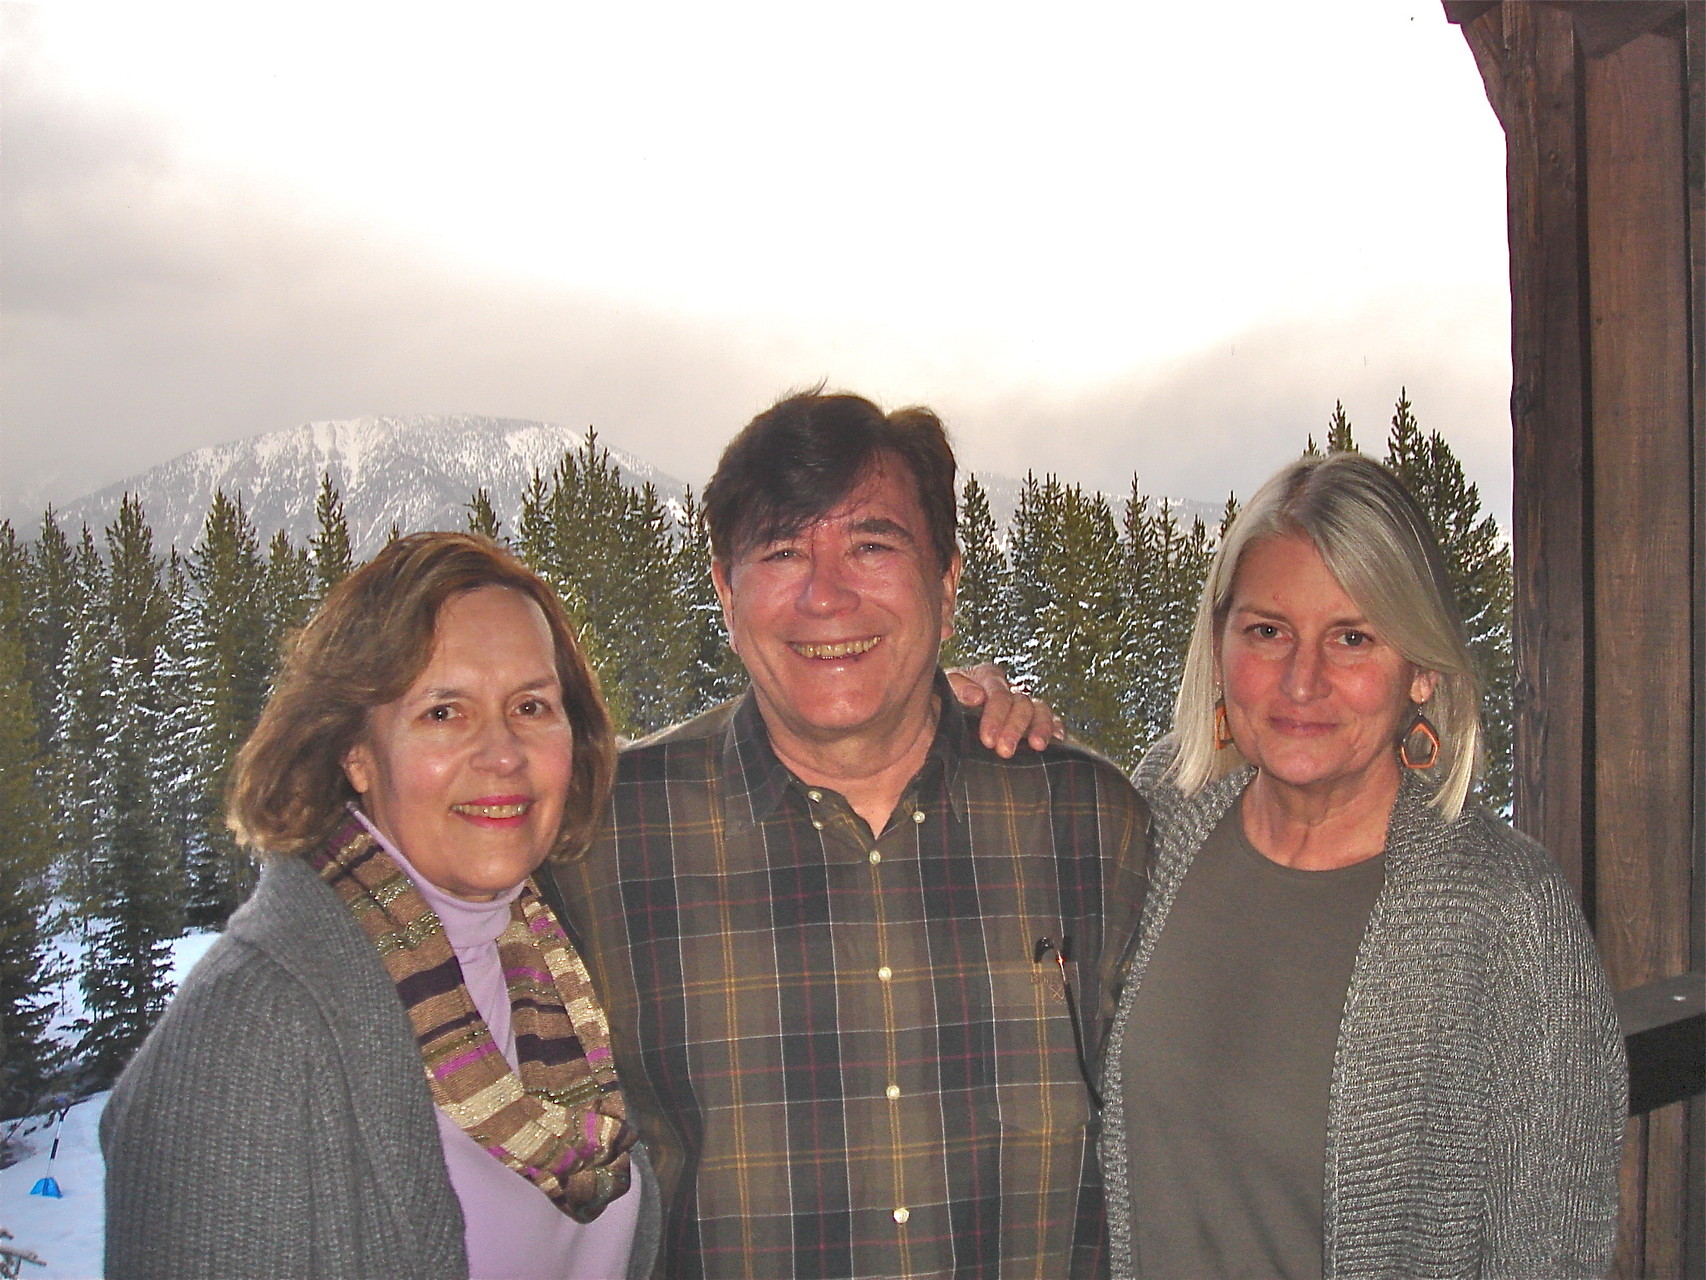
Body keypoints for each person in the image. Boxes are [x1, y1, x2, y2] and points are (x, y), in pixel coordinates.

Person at [545, 391, 1149, 1279]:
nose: (826, 595)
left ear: (946, 580)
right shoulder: (603, 842)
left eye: (871, 545)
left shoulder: (1089, 825)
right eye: (783, 551)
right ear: (724, 588)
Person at [1098, 453, 1625, 1279]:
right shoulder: (1161, 815)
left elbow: (1552, 1253)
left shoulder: (1506, 918)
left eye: (1351, 638)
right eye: (1268, 631)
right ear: (1220, 641)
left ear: (1420, 668)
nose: (1301, 681)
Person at [101, 532, 660, 1280]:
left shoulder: (555, 967)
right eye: (443, 712)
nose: (503, 753)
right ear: (354, 752)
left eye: (531, 705)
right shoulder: (249, 1037)